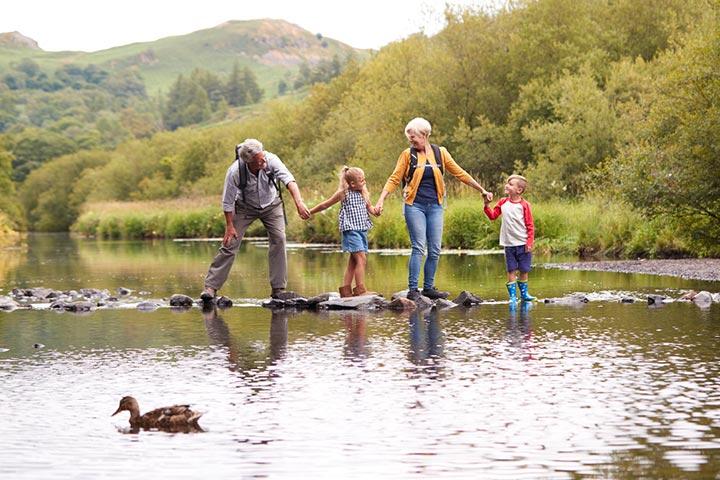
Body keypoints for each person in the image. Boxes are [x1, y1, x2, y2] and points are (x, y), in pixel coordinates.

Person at [374, 117, 493, 301]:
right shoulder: (407, 154)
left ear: (425, 135)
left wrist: (482, 189)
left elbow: (460, 173)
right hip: (414, 206)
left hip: (436, 206)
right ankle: (413, 289)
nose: (411, 140)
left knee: (435, 248)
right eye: (409, 138)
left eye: (413, 137)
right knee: (419, 246)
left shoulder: (440, 153)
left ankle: (428, 288)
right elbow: (394, 178)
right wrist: (381, 200)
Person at [200, 139, 310, 301]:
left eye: (263, 156)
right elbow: (227, 201)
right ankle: (210, 288)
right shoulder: (235, 172)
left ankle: (278, 289)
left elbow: (289, 180)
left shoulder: (271, 159)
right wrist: (229, 226)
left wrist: (299, 203)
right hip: (244, 207)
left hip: (272, 205)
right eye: (259, 159)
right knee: (230, 243)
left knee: (279, 239)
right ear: (249, 162)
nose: (263, 160)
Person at [309, 166, 377, 297]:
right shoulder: (343, 194)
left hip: (362, 229)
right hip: (351, 230)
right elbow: (325, 204)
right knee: (361, 259)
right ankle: (360, 289)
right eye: (362, 181)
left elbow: (370, 208)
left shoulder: (363, 193)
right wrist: (310, 212)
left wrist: (376, 211)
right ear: (352, 183)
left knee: (353, 261)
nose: (364, 182)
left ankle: (346, 290)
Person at [483, 174, 536, 303]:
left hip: (523, 243)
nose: (507, 185)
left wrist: (529, 241)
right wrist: (486, 205)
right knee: (511, 269)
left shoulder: (525, 205)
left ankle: (524, 295)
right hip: (509, 244)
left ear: (519, 190)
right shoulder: (503, 202)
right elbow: (493, 216)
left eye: (511, 184)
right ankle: (513, 297)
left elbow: (530, 225)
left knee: (524, 269)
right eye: (507, 183)